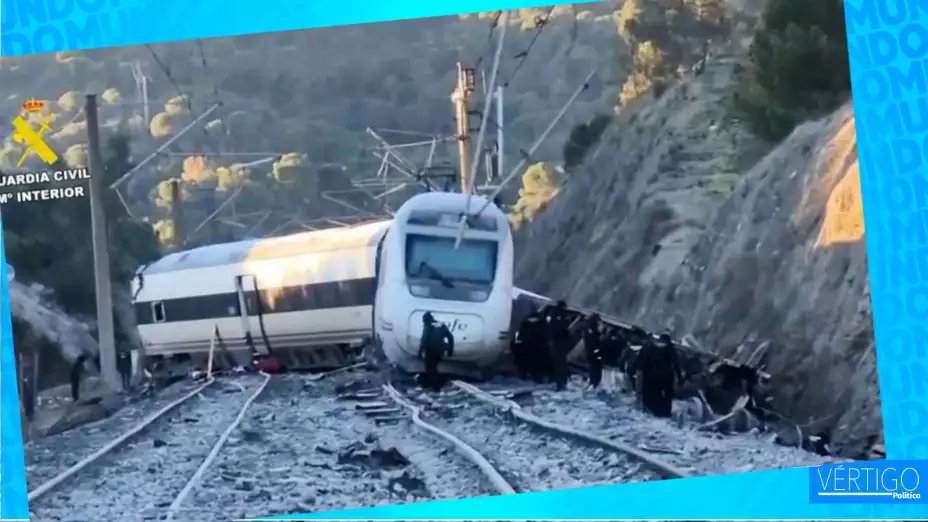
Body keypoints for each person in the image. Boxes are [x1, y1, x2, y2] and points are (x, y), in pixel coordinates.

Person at [418, 312, 454, 392]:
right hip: (440, 350)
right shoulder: (441, 325)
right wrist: (450, 350)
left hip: (430, 349)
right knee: (433, 367)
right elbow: (450, 337)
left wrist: (419, 352)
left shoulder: (428, 325)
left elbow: (424, 339)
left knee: (430, 368)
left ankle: (437, 386)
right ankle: (436, 384)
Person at [545, 300, 572, 391]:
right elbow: (563, 329)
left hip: (554, 342)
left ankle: (555, 380)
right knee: (561, 363)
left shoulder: (553, 315)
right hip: (560, 342)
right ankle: (561, 383)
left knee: (556, 363)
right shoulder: (561, 317)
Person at [514, 307, 546, 381]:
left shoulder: (525, 322)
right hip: (538, 346)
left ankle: (523, 375)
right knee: (537, 363)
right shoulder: (541, 323)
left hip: (526, 345)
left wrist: (519, 340)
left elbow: (520, 333)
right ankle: (537, 377)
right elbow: (545, 334)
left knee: (524, 361)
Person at [583, 314, 604, 389]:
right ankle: (594, 384)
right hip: (594, 353)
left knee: (593, 368)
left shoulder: (588, 329)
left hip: (591, 353)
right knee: (595, 369)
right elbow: (594, 342)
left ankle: (593, 383)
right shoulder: (592, 331)